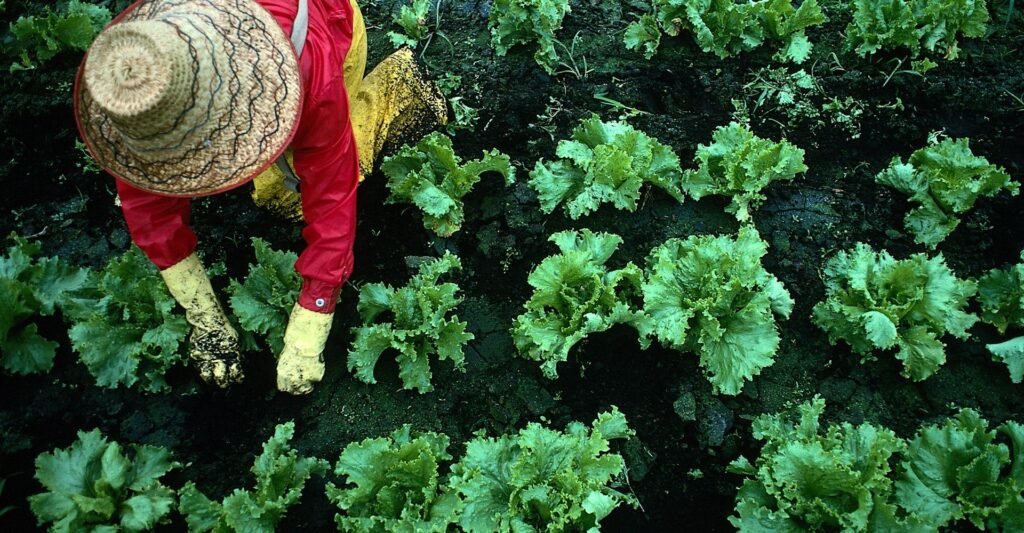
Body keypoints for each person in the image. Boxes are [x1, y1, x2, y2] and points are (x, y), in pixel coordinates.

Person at [74, 0, 446, 394]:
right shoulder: (138, 75)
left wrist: (312, 320)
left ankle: (395, 87)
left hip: (331, 27)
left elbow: (331, 195)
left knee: (285, 196)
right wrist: (204, 318)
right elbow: (148, 206)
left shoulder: (305, 66)